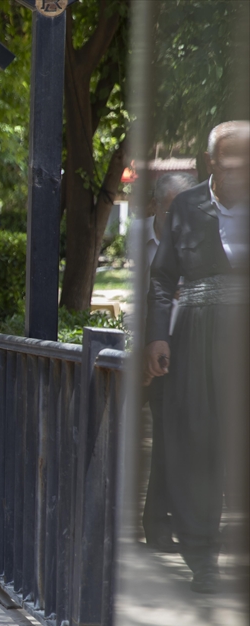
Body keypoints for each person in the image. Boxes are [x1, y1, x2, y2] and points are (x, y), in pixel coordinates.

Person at [146, 120, 249, 593]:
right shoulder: (186, 206)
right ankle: (203, 559)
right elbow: (162, 277)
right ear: (212, 162)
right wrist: (158, 338)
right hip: (199, 338)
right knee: (198, 445)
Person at [139, 172, 195, 553]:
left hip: (173, 356)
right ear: (155, 206)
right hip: (125, 354)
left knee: (169, 442)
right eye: (175, 206)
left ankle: (161, 525)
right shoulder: (135, 239)